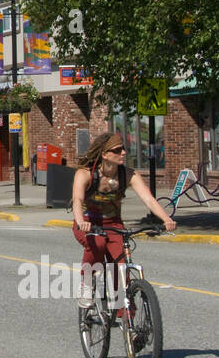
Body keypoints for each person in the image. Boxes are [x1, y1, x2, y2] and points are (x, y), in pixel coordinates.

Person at [71, 132, 175, 309]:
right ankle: (87, 284)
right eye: (118, 150)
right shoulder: (86, 174)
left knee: (121, 270)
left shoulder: (128, 174)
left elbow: (148, 199)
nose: (124, 153)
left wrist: (166, 219)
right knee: (98, 242)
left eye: (123, 149)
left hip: (113, 224)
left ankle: (128, 323)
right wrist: (81, 221)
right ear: (104, 154)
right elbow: (78, 200)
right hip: (88, 222)